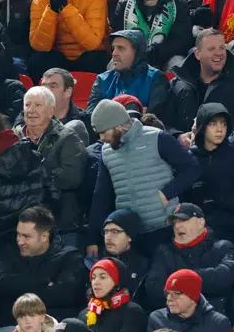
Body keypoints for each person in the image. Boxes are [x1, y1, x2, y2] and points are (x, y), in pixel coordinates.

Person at [86, 99, 201, 255]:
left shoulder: (158, 137)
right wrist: (92, 238)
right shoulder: (106, 152)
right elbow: (101, 196)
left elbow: (192, 169)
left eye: (104, 132)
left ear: (118, 126)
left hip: (164, 227)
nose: (101, 138)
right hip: (130, 235)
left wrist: (166, 193)